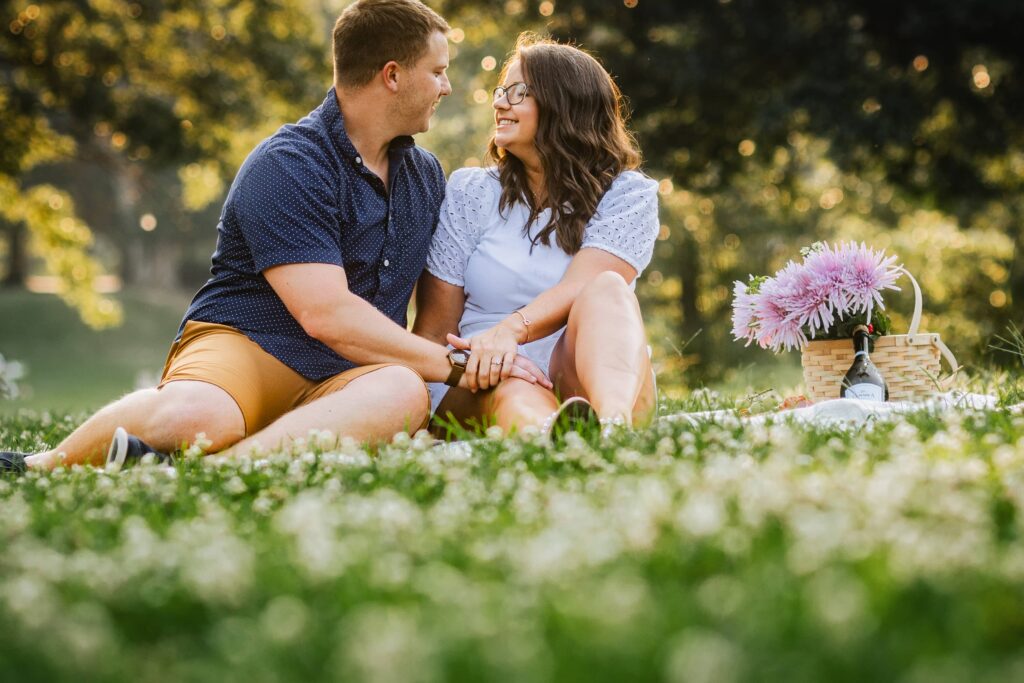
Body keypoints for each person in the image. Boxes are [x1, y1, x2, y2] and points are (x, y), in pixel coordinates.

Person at [0, 0, 547, 475]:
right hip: (249, 347)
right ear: (392, 75)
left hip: (350, 376)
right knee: (198, 417)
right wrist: (455, 366)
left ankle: (210, 472)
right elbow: (325, 315)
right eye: (438, 71)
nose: (448, 87)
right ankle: (44, 464)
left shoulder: (424, 176)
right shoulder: (290, 162)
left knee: (402, 391)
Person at [412, 34, 660, 436]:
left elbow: (583, 284)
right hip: (487, 377)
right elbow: (435, 329)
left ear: (565, 104)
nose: (499, 102)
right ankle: (552, 437)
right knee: (513, 387)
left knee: (608, 288)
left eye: (518, 92)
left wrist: (509, 330)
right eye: (500, 91)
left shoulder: (629, 194)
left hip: (591, 373)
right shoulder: (471, 191)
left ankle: (613, 426)